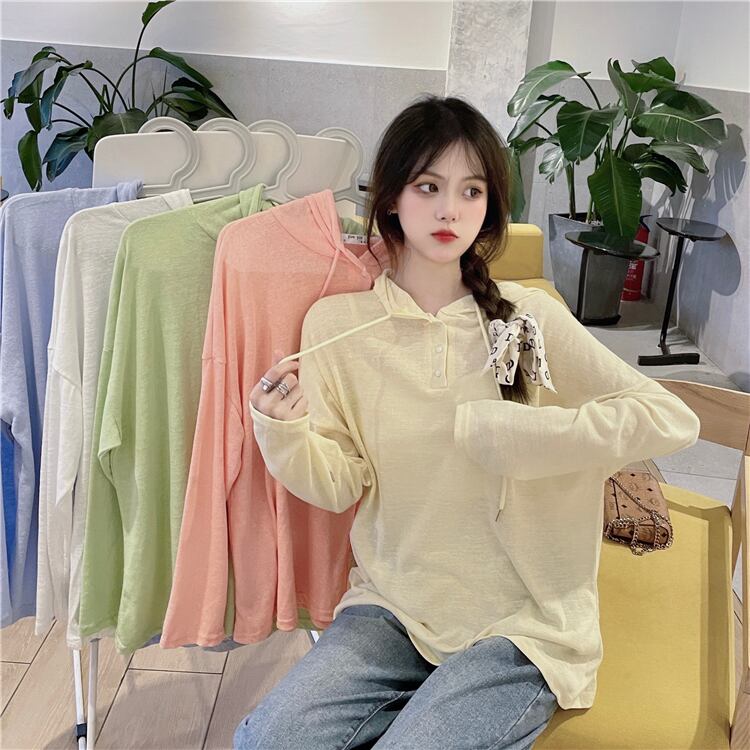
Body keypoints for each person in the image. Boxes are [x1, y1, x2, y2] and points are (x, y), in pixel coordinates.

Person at [233, 94, 700, 749]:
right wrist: (281, 433)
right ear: (392, 197)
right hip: (395, 606)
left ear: (489, 206)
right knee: (266, 741)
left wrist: (521, 436)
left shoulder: (525, 319)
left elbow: (669, 418)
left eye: (471, 190)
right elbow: (340, 485)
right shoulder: (338, 327)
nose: (450, 210)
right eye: (429, 187)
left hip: (524, 623)